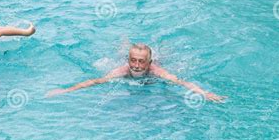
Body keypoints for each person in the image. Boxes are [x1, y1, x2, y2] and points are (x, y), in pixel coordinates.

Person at [46, 43, 226, 102]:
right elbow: (94, 81)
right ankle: (123, 44)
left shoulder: (156, 70)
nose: (137, 65)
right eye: (133, 60)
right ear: (128, 60)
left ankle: (160, 50)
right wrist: (65, 91)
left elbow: (180, 81)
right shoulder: (122, 71)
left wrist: (204, 93)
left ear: (149, 63)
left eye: (141, 61)